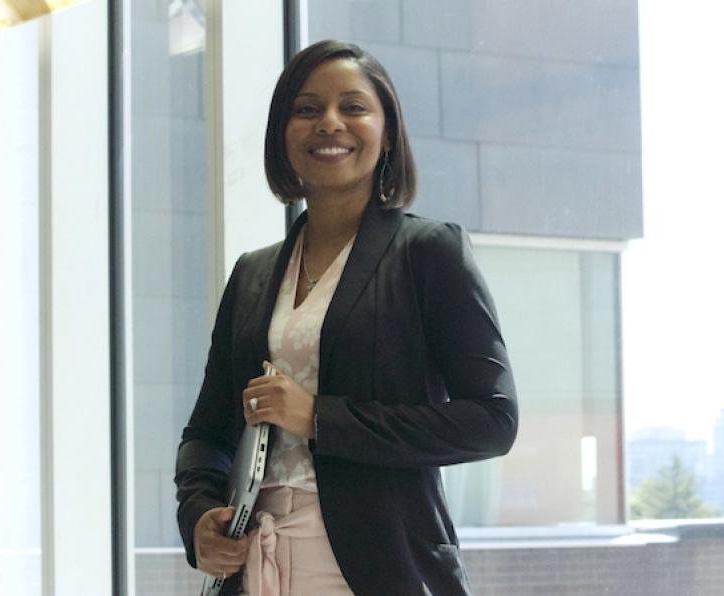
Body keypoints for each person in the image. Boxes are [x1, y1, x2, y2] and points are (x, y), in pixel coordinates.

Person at [174, 39, 518, 596]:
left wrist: (320, 419)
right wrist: (198, 515)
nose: (329, 123)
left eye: (353, 107)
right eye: (307, 110)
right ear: (282, 136)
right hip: (257, 564)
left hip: (377, 568)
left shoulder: (429, 252)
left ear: (387, 134)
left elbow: (493, 419)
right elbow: (207, 432)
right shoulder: (253, 275)